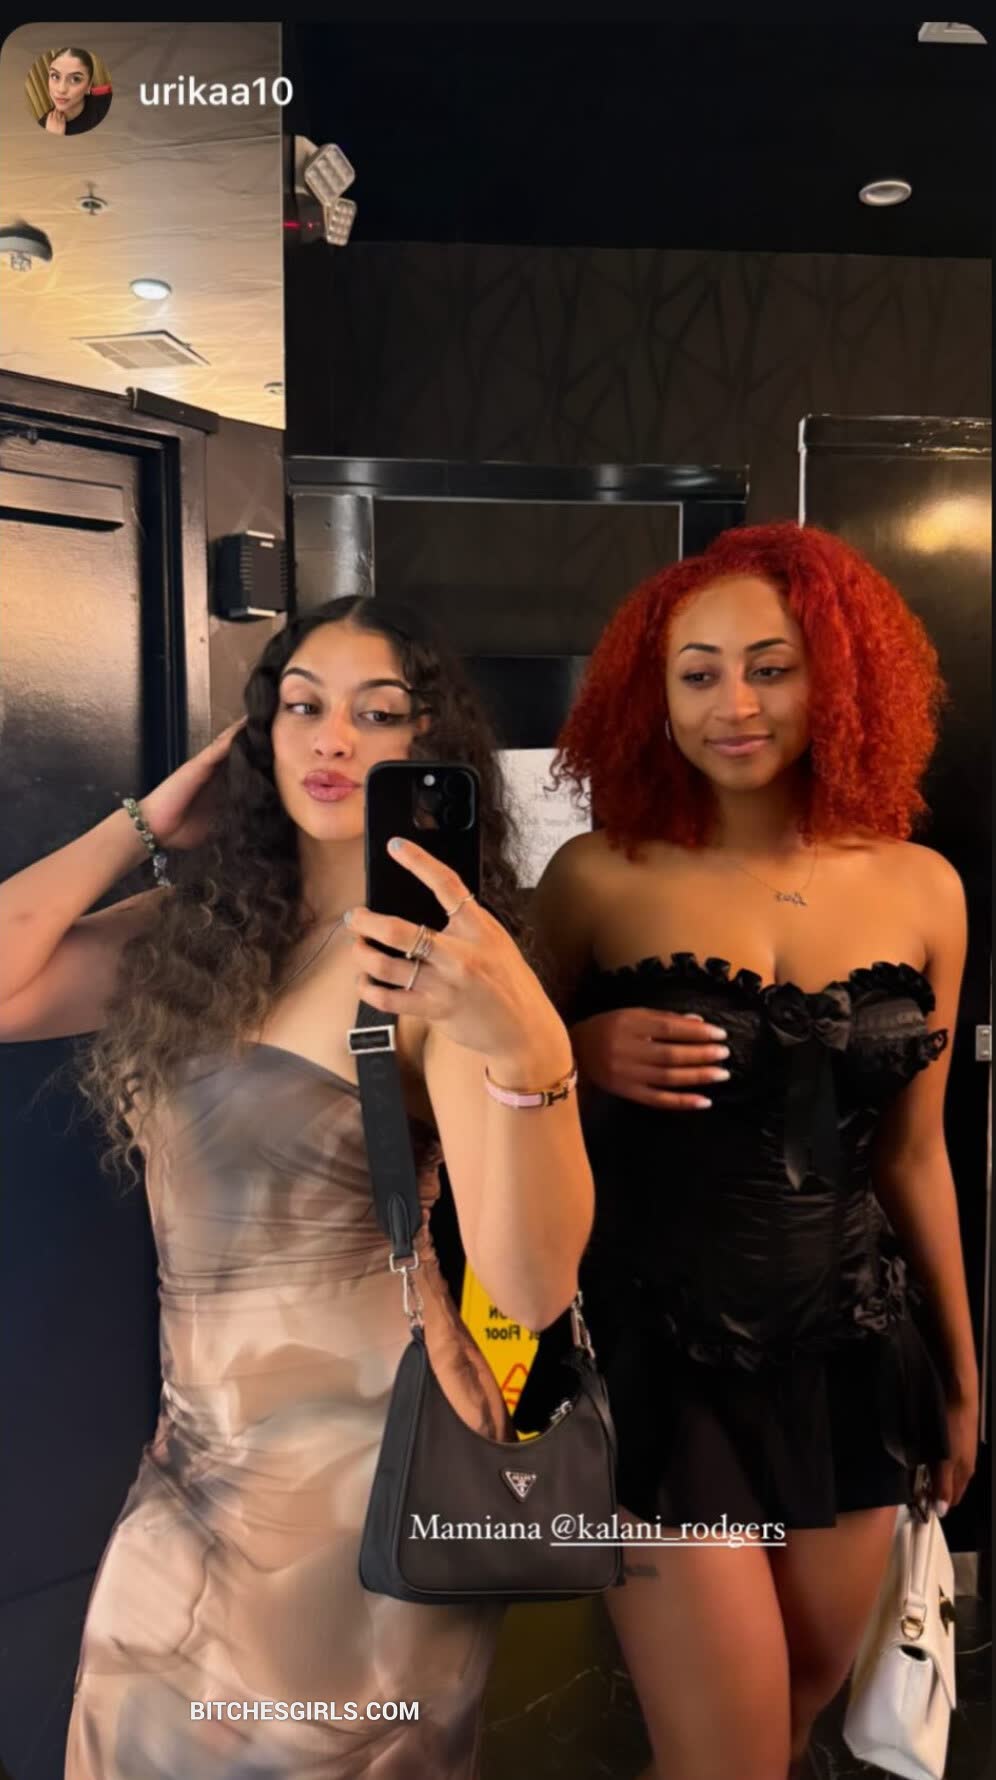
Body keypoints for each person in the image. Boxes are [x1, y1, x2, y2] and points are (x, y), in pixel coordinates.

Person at [0, 597, 594, 1779]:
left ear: (428, 746)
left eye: (379, 713)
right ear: (257, 737)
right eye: (302, 706)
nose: (332, 737)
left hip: (367, 1483)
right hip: (192, 1467)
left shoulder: (433, 963)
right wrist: (147, 819)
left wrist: (528, 1045)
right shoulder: (202, 933)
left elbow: (532, 1289)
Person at [518, 522, 978, 1780]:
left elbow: (916, 1157)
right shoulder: (595, 879)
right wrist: (577, 1053)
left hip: (855, 1357)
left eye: (772, 668)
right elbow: (482, 1112)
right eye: (700, 673)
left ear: (839, 680)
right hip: (661, 1362)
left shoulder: (926, 888)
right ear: (650, 696)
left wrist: (961, 1370)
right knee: (727, 1755)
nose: (736, 704)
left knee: (785, 1729)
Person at [37, 48, 110, 136]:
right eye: (55, 76)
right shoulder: (42, 126)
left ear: (89, 86)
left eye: (75, 79)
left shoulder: (106, 104)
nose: (61, 89)